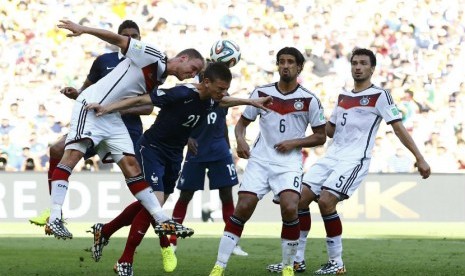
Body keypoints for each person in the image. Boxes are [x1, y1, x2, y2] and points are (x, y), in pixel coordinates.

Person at [86, 62, 272, 276]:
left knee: (149, 205)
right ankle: (125, 260)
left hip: (175, 155)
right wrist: (106, 108)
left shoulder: (212, 98)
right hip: (152, 149)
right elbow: (140, 99)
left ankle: (105, 230)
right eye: (220, 88)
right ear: (206, 82)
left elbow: (224, 102)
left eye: (225, 89)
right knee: (153, 204)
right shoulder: (180, 93)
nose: (223, 93)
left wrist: (250, 101)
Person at [266, 48, 431, 274]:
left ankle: (337, 262)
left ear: (372, 69)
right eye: (355, 63)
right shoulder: (343, 96)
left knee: (325, 201)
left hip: (354, 159)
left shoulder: (380, 96)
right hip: (332, 156)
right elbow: (331, 131)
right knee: (299, 200)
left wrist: (419, 158)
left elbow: (398, 127)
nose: (358, 67)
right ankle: (297, 260)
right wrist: (312, 114)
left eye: (363, 63)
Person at [45, 19, 205, 242]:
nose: (192, 74)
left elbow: (147, 105)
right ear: (183, 58)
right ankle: (54, 217)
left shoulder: (160, 77)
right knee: (71, 156)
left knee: (131, 166)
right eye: (193, 69)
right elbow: (119, 39)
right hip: (91, 105)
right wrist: (84, 29)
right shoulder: (153, 54)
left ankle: (161, 219)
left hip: (110, 116)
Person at [208, 47, 327, 276]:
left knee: (291, 208)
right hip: (260, 160)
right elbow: (242, 124)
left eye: (291, 62)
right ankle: (219, 266)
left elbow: (320, 136)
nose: (285, 65)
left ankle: (288, 267)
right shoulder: (262, 92)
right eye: (281, 61)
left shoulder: (309, 99)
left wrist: (293, 143)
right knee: (243, 207)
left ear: (299, 67)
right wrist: (240, 140)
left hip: (288, 163)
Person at [29, 19, 150, 226]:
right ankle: (54, 212)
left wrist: (116, 107)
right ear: (118, 39)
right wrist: (76, 93)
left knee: (146, 185)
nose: (130, 39)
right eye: (126, 35)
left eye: (135, 36)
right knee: (57, 149)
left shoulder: (145, 65)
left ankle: (161, 238)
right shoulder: (103, 61)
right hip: (96, 123)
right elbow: (86, 92)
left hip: (127, 129)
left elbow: (148, 107)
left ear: (140, 38)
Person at [169, 103, 248, 256]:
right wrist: (187, 137)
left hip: (220, 152)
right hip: (196, 151)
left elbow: (222, 123)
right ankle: (172, 241)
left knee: (226, 196)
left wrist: (227, 147)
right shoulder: (191, 99)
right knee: (185, 195)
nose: (223, 89)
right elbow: (177, 121)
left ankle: (233, 243)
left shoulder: (222, 99)